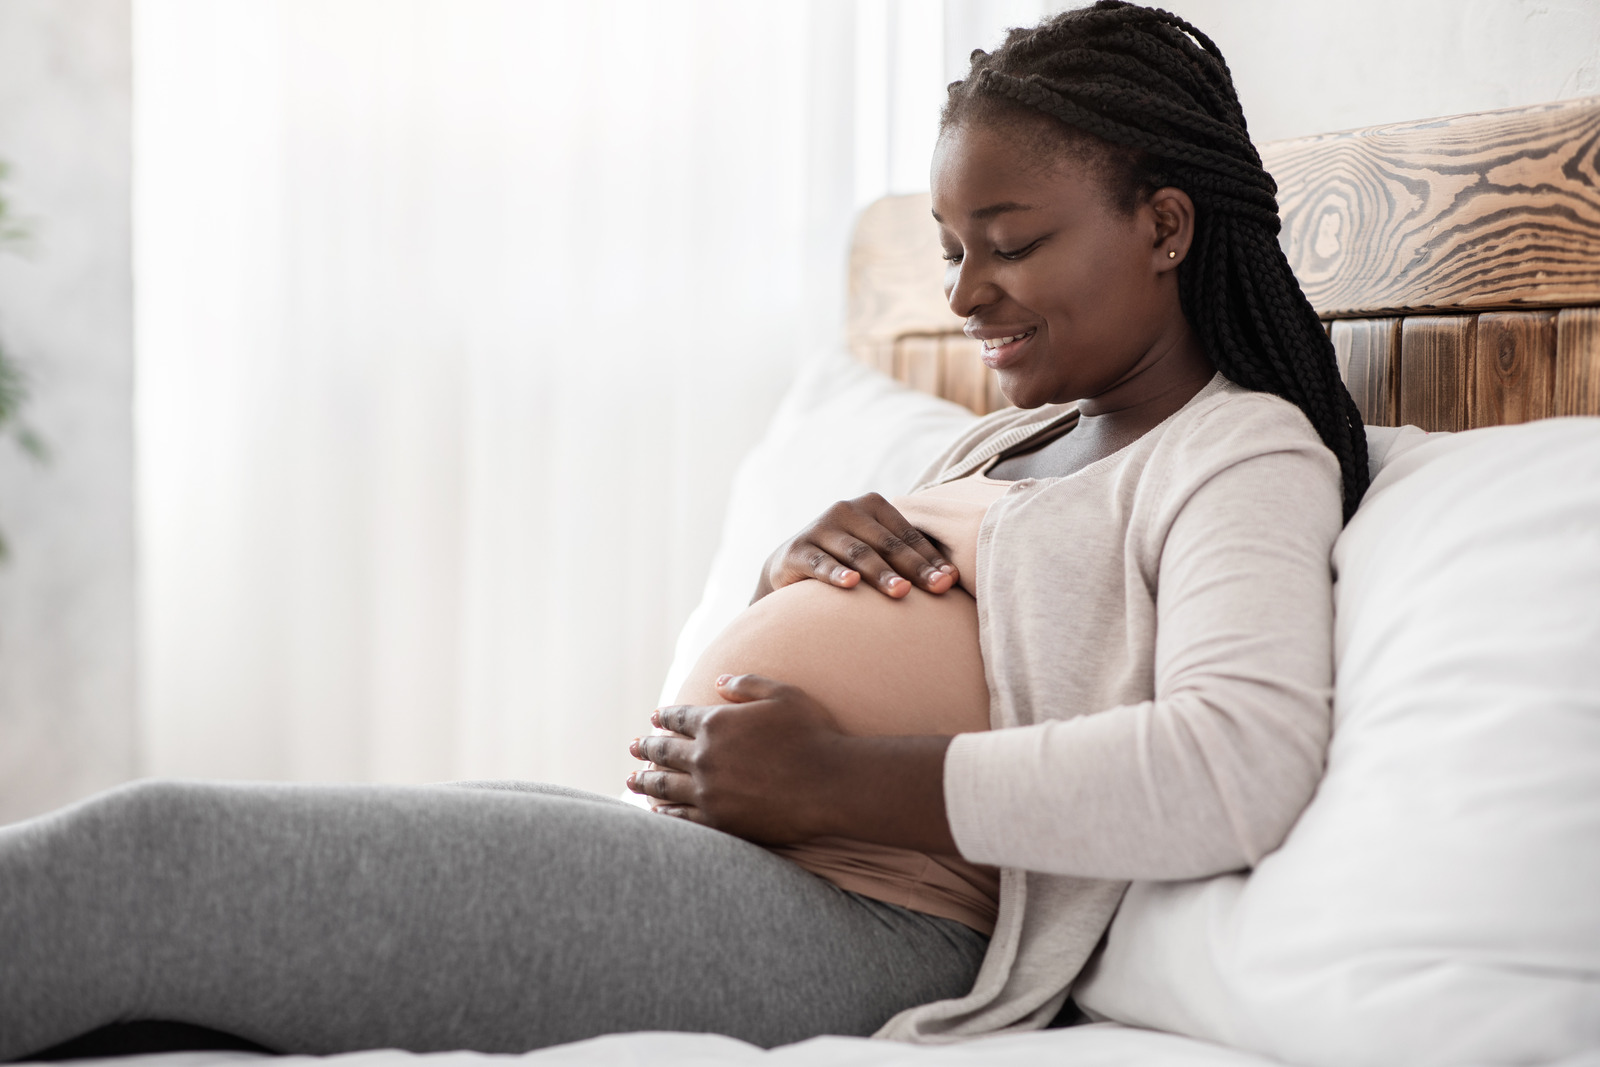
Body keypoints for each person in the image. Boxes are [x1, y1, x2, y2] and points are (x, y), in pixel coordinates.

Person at [0, 2, 1364, 1059]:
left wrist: (842, 776)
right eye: (949, 248)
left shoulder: (1236, 450)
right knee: (158, 998)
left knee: (159, 858)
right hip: (740, 861)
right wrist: (794, 573)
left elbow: (1236, 764)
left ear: (1167, 224)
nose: (964, 293)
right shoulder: (1009, 436)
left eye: (1006, 241)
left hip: (869, 923)